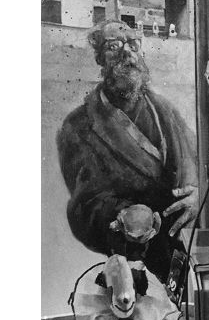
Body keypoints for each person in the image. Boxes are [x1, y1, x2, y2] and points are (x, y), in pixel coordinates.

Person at [57, 20, 198, 282]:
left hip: (182, 251)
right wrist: (122, 215)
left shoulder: (165, 110)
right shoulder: (78, 125)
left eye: (133, 44)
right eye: (114, 46)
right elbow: (83, 205)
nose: (127, 53)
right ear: (100, 59)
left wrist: (198, 198)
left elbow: (196, 167)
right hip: (127, 259)